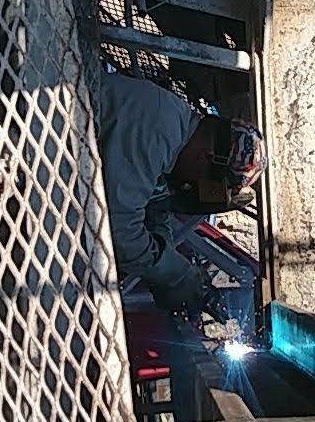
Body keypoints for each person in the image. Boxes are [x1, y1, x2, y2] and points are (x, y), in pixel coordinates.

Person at [98, 72, 266, 318]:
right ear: (207, 156)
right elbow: (120, 233)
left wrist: (165, 247)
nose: (193, 185)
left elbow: (154, 200)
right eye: (207, 181)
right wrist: (176, 274)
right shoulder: (157, 134)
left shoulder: (175, 126)